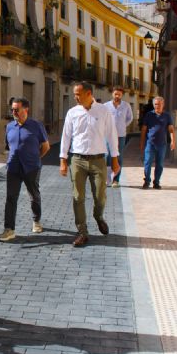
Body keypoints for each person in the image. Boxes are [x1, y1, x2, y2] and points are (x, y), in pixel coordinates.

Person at [59, 81, 119, 247]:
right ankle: (82, 232)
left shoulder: (103, 111)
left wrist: (114, 160)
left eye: (78, 94)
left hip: (99, 160)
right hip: (77, 160)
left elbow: (112, 136)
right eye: (74, 94)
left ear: (88, 93)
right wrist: (63, 160)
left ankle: (98, 216)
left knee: (100, 196)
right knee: (78, 197)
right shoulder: (72, 112)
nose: (75, 97)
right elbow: (66, 137)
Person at [0, 97, 50, 242]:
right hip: (13, 168)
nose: (14, 112)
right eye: (12, 109)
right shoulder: (9, 127)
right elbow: (8, 146)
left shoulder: (36, 126)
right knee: (11, 198)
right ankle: (9, 229)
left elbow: (46, 146)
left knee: (34, 195)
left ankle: (36, 220)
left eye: (17, 109)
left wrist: (37, 158)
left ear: (26, 110)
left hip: (31, 167)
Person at [140, 96, 175, 189]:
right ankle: (147, 181)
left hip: (162, 145)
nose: (157, 106)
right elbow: (144, 130)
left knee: (159, 164)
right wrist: (142, 143)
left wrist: (173, 141)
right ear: (153, 105)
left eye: (159, 104)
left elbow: (171, 129)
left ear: (163, 105)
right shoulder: (149, 115)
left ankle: (156, 182)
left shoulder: (167, 116)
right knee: (147, 163)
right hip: (150, 144)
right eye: (155, 104)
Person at [104, 86, 133, 187]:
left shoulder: (126, 106)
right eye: (115, 94)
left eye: (119, 94)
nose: (117, 96)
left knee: (118, 156)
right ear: (112, 94)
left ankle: (116, 180)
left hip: (121, 135)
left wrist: (123, 125)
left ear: (122, 95)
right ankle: (108, 178)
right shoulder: (106, 106)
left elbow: (130, 118)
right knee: (107, 156)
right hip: (108, 135)